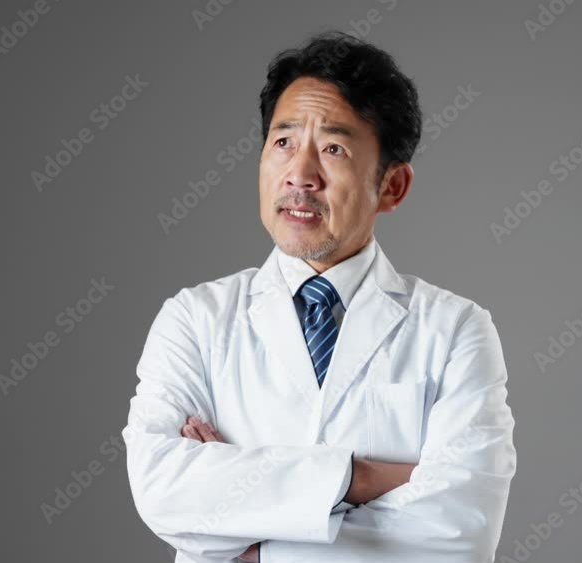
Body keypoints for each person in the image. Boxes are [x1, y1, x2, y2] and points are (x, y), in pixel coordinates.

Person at [122, 30, 516, 562]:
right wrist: (362, 477)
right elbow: (163, 490)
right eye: (283, 142)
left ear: (392, 186)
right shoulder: (194, 319)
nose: (300, 176)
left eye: (333, 149)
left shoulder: (455, 330)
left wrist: (260, 549)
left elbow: (460, 534)